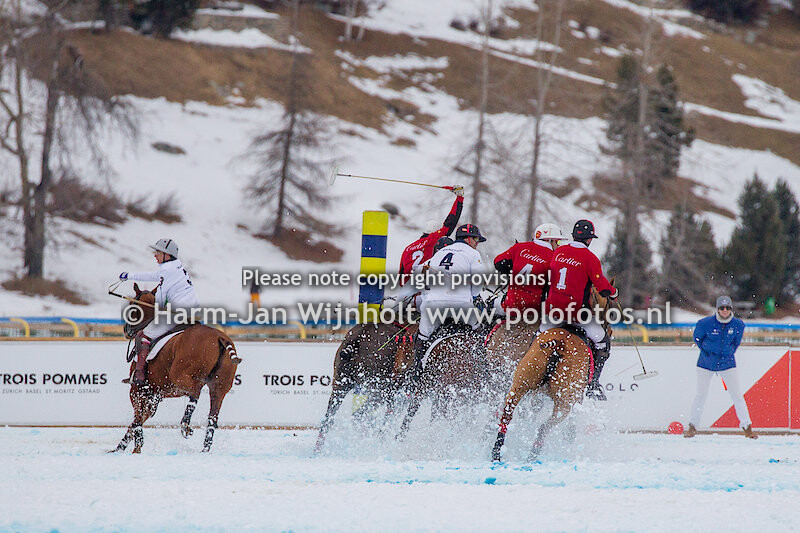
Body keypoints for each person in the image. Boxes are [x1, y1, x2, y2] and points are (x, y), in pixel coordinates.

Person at [540, 219, 618, 400]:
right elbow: (603, 288)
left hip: (552, 314)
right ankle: (593, 384)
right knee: (602, 341)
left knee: (537, 338)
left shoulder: (558, 252)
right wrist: (613, 293)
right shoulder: (590, 258)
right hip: (577, 316)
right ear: (590, 239)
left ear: (573, 236)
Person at [411, 223, 486, 380]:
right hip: (462, 306)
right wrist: (473, 297)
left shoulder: (440, 253)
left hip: (434, 305)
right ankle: (483, 370)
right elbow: (477, 283)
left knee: (422, 338)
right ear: (468, 239)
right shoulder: (473, 254)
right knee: (480, 331)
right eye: (476, 240)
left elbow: (418, 271)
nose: (477, 243)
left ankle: (417, 376)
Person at [119, 238, 198, 385]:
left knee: (144, 335)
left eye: (158, 252)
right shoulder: (175, 268)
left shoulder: (167, 270)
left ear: (167, 255)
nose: (155, 255)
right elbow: (153, 276)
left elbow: (162, 296)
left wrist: (158, 309)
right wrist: (129, 276)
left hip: (175, 314)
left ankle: (139, 375)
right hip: (191, 313)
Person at [684, 296, 757, 439]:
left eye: (727, 308)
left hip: (727, 363)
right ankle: (692, 426)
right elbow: (697, 338)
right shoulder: (705, 323)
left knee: (737, 395)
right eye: (722, 308)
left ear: (731, 309)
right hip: (705, 363)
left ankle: (747, 427)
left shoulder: (738, 325)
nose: (725, 310)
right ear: (717, 309)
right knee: (701, 395)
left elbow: (736, 343)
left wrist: (727, 354)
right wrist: (707, 353)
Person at [393, 186, 464, 307]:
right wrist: (460, 198)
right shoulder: (433, 240)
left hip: (405, 295)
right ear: (435, 232)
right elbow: (450, 222)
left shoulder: (409, 248)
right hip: (421, 295)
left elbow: (401, 273)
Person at [494, 223, 566, 317]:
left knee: (490, 306)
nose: (558, 246)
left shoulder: (519, 247)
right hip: (534, 311)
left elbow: (498, 263)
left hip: (510, 305)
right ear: (549, 240)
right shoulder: (555, 259)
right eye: (558, 242)